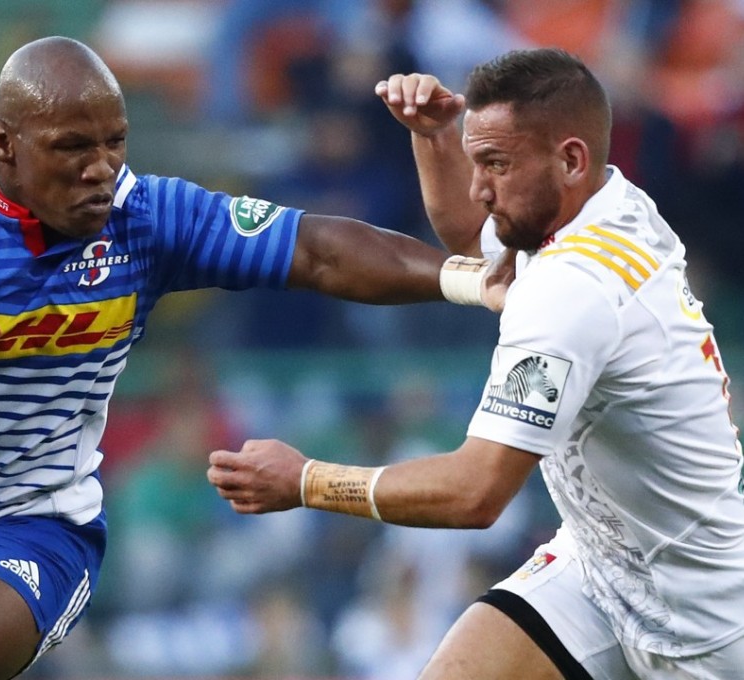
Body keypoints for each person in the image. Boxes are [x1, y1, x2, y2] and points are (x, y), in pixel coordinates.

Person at [0, 36, 510, 680]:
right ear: (3, 145)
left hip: (37, 522)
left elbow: (317, 252)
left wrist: (473, 279)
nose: (101, 168)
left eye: (115, 143)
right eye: (72, 148)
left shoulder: (142, 216)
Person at [207, 47, 744, 679]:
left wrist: (305, 482)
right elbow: (474, 236)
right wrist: (435, 137)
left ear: (570, 158)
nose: (478, 186)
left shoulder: (572, 290)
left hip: (704, 627)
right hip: (598, 567)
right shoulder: (607, 203)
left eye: (495, 163)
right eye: (474, 158)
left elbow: (475, 494)